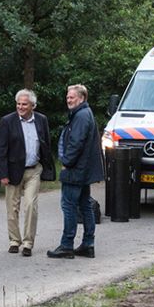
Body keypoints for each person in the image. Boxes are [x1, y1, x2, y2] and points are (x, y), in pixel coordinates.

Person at [47, 84, 105, 259]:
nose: (68, 100)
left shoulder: (80, 116)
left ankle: (66, 245)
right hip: (83, 170)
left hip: (76, 170)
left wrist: (66, 161)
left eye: (72, 97)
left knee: (69, 206)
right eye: (67, 97)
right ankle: (88, 244)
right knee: (85, 205)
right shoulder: (85, 114)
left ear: (82, 98)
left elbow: (76, 142)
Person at [0, 89, 54, 257]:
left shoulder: (41, 120)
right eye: (18, 104)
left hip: (33, 170)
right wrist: (3, 173)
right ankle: (14, 240)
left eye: (24, 104)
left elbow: (46, 144)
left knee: (30, 206)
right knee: (12, 208)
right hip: (13, 170)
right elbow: (1, 149)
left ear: (32, 106)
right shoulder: (7, 121)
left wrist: (47, 167)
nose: (20, 107)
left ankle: (28, 243)